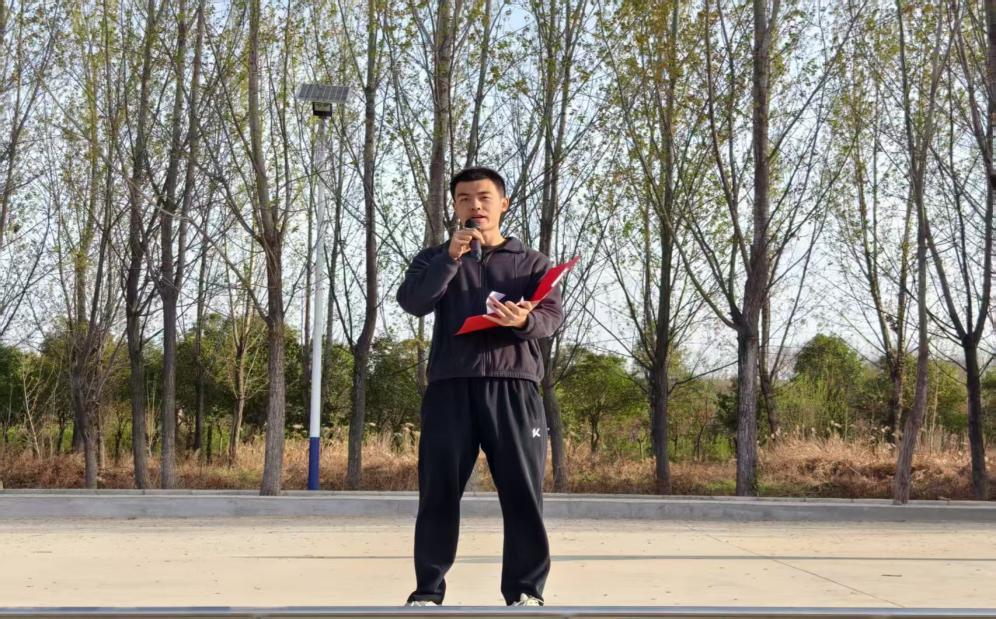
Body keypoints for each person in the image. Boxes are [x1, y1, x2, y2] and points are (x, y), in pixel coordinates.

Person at [397, 166, 564, 607]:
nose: (475, 205)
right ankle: (428, 592)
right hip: (450, 388)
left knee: (523, 492)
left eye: (485, 197)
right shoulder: (434, 257)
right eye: (465, 198)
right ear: (455, 206)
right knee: (438, 492)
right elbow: (413, 302)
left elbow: (550, 317)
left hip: (514, 387)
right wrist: (450, 260)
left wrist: (523, 320)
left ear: (503, 204)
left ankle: (525, 591)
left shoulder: (532, 262)